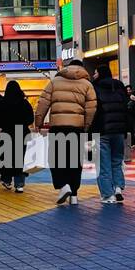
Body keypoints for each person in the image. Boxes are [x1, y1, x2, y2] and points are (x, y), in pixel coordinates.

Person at [34, 61, 97, 206]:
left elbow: (42, 103)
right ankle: (74, 194)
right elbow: (91, 108)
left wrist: (38, 122)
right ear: (82, 69)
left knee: (56, 159)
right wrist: (86, 126)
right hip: (77, 128)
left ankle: (63, 185)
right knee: (75, 162)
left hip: (58, 127)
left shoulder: (55, 82)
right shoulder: (87, 85)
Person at [91, 61, 130, 204]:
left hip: (102, 130)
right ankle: (118, 188)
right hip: (119, 130)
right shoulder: (119, 85)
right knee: (117, 161)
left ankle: (108, 195)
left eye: (95, 72)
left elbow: (93, 110)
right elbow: (126, 107)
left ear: (100, 73)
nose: (93, 75)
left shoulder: (94, 87)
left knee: (103, 164)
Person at [0, 80, 34, 193]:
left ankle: (7, 180)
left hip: (7, 133)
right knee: (21, 159)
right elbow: (30, 119)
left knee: (7, 158)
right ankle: (19, 184)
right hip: (22, 133)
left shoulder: (2, 103)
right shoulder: (25, 103)